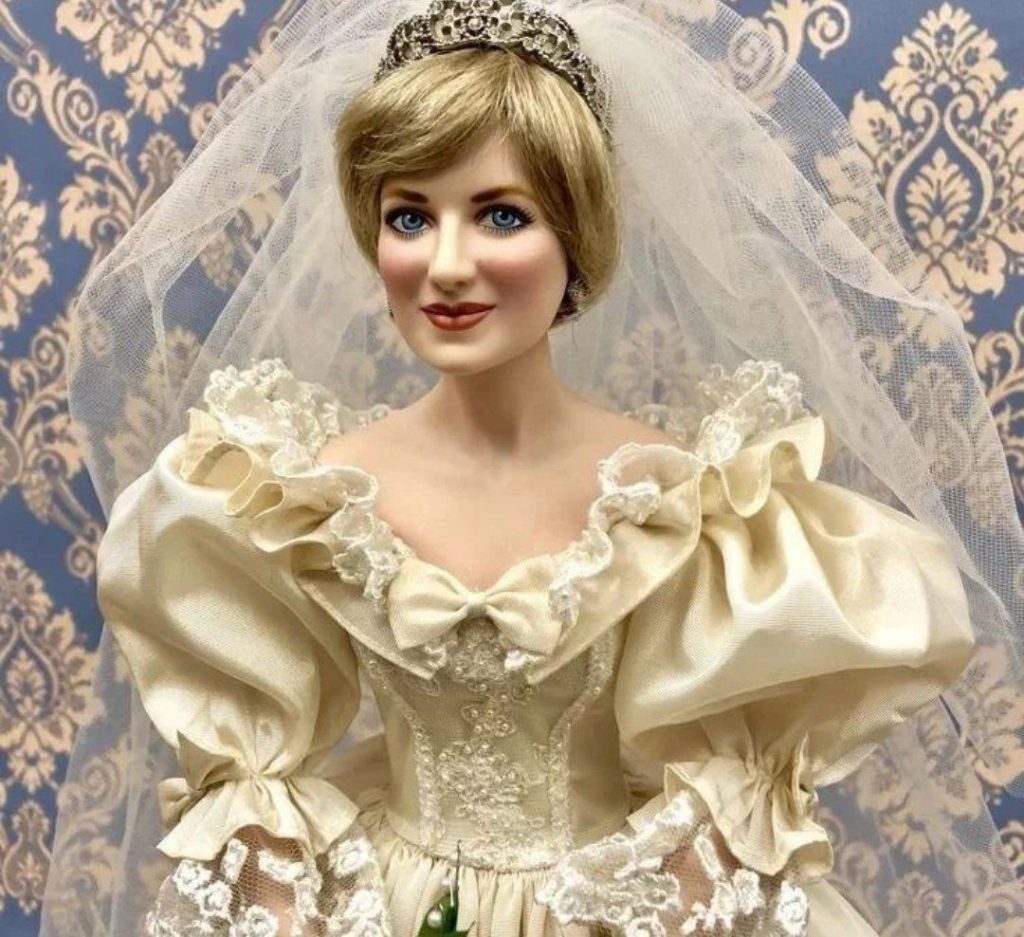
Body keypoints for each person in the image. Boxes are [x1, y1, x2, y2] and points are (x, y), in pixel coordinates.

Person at [39, 1, 1024, 935]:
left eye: (501, 216)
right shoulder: (295, 496)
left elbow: (729, 805)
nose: (446, 264)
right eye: (409, 216)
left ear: (574, 235)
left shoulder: (689, 497)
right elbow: (254, 799)